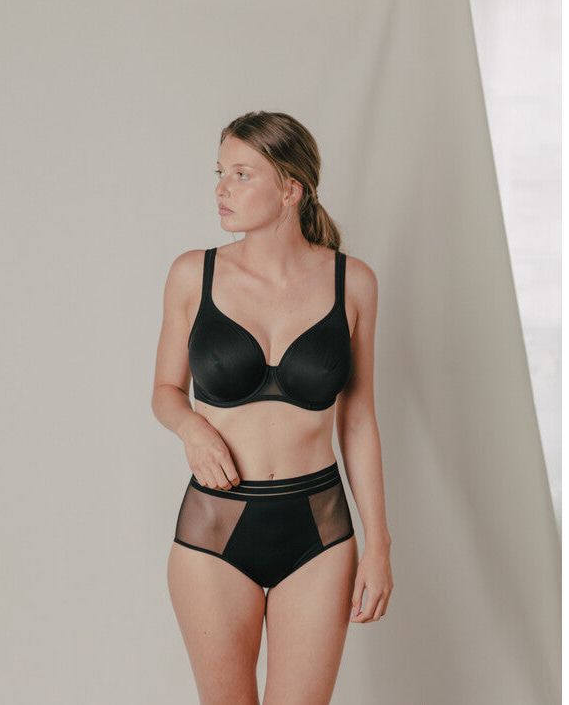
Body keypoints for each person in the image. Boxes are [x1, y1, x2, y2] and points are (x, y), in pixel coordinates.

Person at [151, 111, 393, 705]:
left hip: (320, 531)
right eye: (220, 173)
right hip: (215, 528)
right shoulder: (193, 274)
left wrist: (379, 545)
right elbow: (165, 391)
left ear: (291, 189)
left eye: (241, 174)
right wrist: (192, 429)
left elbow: (358, 420)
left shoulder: (353, 283)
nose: (222, 189)